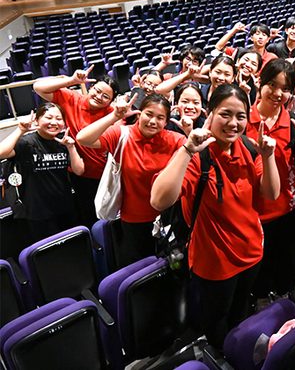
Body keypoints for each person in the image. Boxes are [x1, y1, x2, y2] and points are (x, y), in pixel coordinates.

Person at [150, 84, 280, 349]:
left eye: (240, 116)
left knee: (240, 313)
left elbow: (271, 193)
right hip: (215, 264)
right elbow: (159, 200)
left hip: (252, 253)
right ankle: (221, 354)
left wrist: (268, 157)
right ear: (210, 113)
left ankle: (237, 348)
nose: (233, 123)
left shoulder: (248, 147)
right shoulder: (199, 155)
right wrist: (186, 150)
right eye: (225, 114)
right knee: (217, 320)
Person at [77, 94, 186, 268]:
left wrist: (189, 132)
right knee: (141, 268)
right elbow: (83, 138)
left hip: (168, 216)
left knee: (171, 264)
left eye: (160, 118)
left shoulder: (175, 140)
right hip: (134, 219)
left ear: (166, 122)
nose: (153, 121)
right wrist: (115, 116)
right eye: (148, 114)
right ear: (139, 113)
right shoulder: (122, 134)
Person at [247, 58, 295, 303]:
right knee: (259, 269)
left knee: (285, 265)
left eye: (285, 89)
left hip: (289, 209)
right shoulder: (243, 120)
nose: (278, 93)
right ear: (260, 82)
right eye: (272, 85)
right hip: (254, 212)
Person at [33, 67, 119, 229]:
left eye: (106, 96)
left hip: (106, 175)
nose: (99, 97)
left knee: (108, 217)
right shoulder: (72, 99)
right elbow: (38, 87)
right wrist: (72, 81)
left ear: (111, 101)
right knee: (87, 215)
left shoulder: (113, 113)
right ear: (91, 88)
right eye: (97, 91)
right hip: (79, 173)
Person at [0, 104, 84, 242]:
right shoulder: (26, 142)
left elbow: (79, 170)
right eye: (48, 117)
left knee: (70, 248)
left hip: (65, 206)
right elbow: (1, 153)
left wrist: (71, 147)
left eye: (58, 118)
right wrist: (20, 130)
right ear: (37, 120)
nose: (54, 122)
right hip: (37, 211)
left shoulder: (64, 142)